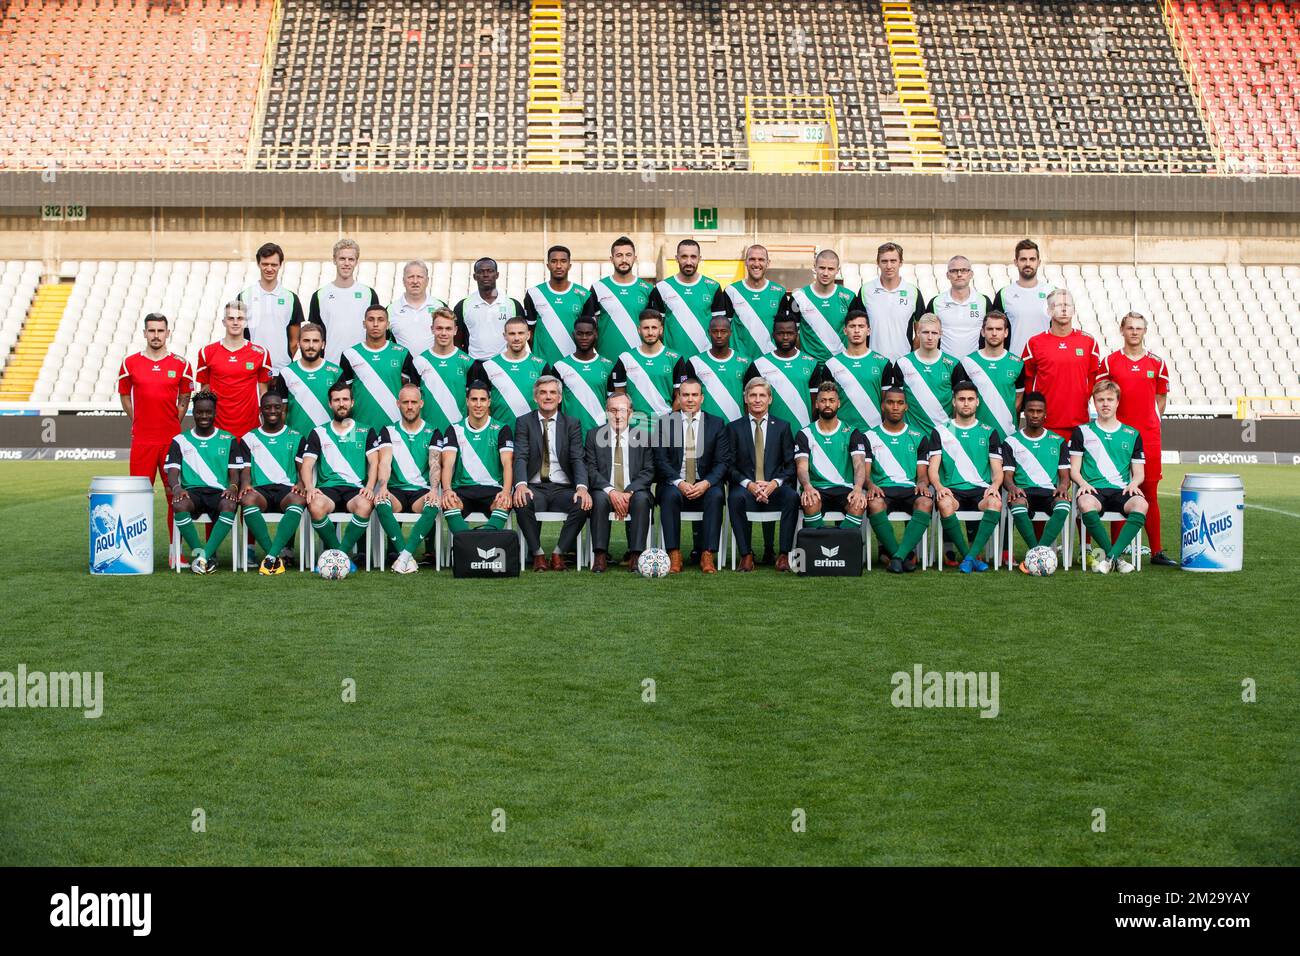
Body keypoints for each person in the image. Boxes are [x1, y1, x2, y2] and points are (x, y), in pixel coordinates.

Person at [1099, 312, 1175, 566]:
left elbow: (1160, 399)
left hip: (1149, 437)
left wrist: (1148, 421)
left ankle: (1156, 551)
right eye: (1130, 327)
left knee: (1149, 492)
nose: (1134, 332)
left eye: (1139, 328)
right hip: (1118, 438)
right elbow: (1102, 395)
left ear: (1145, 331)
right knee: (1120, 491)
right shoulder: (1110, 362)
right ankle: (1117, 551)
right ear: (1121, 330)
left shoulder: (1157, 363)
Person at [117, 312, 194, 561]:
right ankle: (137, 552)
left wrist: (174, 421)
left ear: (168, 333)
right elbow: (125, 395)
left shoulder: (181, 364)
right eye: (151, 331)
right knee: (138, 498)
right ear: (144, 333)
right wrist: (137, 419)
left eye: (160, 331)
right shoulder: (130, 363)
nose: (156, 335)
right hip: (142, 440)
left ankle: (176, 552)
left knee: (176, 495)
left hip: (171, 441)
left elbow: (184, 398)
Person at [298, 380, 386, 567]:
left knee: (365, 504)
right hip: (327, 489)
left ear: (352, 402)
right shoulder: (319, 432)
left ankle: (338, 555)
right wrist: (310, 487)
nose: (341, 404)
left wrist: (370, 487)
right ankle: (342, 555)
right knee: (315, 505)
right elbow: (307, 465)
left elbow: (375, 462)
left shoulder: (365, 430)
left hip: (355, 489)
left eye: (345, 399)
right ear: (330, 404)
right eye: (336, 400)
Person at [512, 375, 592, 571]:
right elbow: (520, 456)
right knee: (522, 500)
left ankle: (558, 553)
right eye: (543, 393)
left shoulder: (572, 423)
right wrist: (521, 484)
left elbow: (577, 458)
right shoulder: (523, 422)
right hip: (535, 487)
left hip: (563, 488)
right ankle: (537, 554)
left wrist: (582, 488)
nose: (548, 397)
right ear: (536, 397)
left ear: (559, 398)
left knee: (583, 503)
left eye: (552, 392)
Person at [653, 377, 732, 574]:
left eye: (694, 395)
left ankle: (707, 554)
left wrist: (706, 483)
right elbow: (660, 461)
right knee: (669, 496)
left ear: (702, 398)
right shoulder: (664, 423)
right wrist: (679, 482)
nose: (690, 399)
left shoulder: (716, 424)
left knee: (715, 495)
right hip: (675, 484)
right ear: (678, 398)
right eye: (685, 395)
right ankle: (674, 554)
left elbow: (722, 462)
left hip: (704, 483)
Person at [164, 390, 246, 575]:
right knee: (179, 503)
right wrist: (177, 488)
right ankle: (202, 554)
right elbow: (172, 471)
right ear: (194, 412)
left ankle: (203, 557)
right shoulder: (180, 440)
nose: (204, 416)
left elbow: (235, 473)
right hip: (192, 493)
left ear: (215, 412)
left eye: (208, 412)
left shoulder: (229, 439)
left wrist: (233, 487)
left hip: (218, 493)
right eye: (200, 412)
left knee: (230, 503)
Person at [1071, 379, 1148, 574]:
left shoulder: (1132, 434)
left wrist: (1134, 483)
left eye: (1110, 399)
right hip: (1094, 489)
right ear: (1093, 403)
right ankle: (1118, 558)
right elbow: (1074, 470)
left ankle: (1111, 557)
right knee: (1085, 503)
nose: (1105, 404)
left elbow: (1139, 473)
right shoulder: (1082, 431)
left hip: (1121, 490)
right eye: (1100, 399)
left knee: (1142, 504)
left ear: (1117, 402)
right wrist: (1082, 483)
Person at [927, 382, 1004, 573]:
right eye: (961, 399)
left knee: (995, 503)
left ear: (977, 402)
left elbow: (997, 470)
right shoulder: (941, 431)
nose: (966, 403)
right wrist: (938, 486)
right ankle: (970, 557)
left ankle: (969, 558)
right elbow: (933, 468)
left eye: (970, 399)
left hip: (981, 490)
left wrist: (995, 485)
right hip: (953, 491)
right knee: (944, 504)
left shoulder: (989, 432)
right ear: (954, 402)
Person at [727, 377, 799, 572]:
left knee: (792, 497)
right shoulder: (734, 428)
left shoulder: (783, 427)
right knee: (734, 498)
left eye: (762, 395)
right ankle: (746, 555)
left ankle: (783, 555)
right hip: (746, 489)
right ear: (746, 399)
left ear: (770, 399)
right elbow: (730, 466)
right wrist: (749, 485)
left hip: (774, 489)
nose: (757, 400)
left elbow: (790, 465)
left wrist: (773, 484)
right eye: (753, 395)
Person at [863, 386, 935, 574]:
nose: (895, 407)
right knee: (875, 504)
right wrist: (870, 485)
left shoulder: (918, 436)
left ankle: (896, 557)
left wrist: (921, 482)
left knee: (926, 502)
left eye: (900, 403)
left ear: (906, 407)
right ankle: (902, 556)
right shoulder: (869, 436)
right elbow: (866, 474)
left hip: (909, 489)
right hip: (883, 489)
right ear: (882, 406)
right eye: (891, 402)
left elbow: (922, 474)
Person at [373, 384, 442, 574]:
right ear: (398, 404)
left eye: (413, 402)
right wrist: (383, 486)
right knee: (381, 501)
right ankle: (408, 556)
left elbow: (435, 465)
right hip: (395, 489)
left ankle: (402, 556)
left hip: (421, 491)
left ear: (421, 404)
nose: (409, 406)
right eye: (405, 402)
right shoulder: (388, 431)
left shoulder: (433, 431)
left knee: (433, 504)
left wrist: (434, 490)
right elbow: (385, 462)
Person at [1002, 390, 1072, 569]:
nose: (1034, 415)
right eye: (1031, 411)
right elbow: (1007, 477)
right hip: (1024, 492)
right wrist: (1012, 487)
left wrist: (1063, 487)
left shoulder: (1058, 441)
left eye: (1039, 411)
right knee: (1016, 503)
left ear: (1045, 413)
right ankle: (1038, 552)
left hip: (1049, 492)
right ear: (1024, 412)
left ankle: (1036, 553)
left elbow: (1065, 476)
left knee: (1064, 503)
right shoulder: (1011, 441)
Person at [585, 393, 655, 573]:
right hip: (605, 490)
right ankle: (600, 555)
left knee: (641, 500)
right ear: (607, 412)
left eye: (622, 410)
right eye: (613, 410)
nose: (617, 415)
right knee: (598, 499)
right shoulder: (594, 436)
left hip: (634, 490)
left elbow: (649, 470)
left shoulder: (644, 437)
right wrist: (612, 492)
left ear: (630, 413)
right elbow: (591, 470)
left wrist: (629, 491)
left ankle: (635, 555)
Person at [239, 392, 307, 575]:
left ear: (283, 409)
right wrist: (245, 484)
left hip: (286, 490)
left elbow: (302, 469)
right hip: (260, 491)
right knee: (247, 499)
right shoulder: (248, 438)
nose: (272, 411)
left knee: (299, 500)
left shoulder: (296, 437)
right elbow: (245, 470)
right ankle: (274, 556)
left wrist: (301, 482)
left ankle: (270, 557)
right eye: (268, 407)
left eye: (277, 407)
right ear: (261, 410)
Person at [1021, 289, 1101, 440]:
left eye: (1068, 305)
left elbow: (1094, 380)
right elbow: (1028, 381)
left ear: (1074, 309)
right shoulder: (1034, 343)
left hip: (1079, 423)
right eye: (1058, 305)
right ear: (1049, 310)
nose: (1064, 309)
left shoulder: (1089, 342)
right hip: (1045, 424)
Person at [439, 382, 514, 536]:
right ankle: (471, 544)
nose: (478, 404)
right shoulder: (454, 429)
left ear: (489, 402)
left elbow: (507, 463)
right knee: (449, 501)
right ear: (467, 401)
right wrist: (447, 490)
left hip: (492, 489)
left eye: (482, 400)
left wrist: (506, 491)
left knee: (503, 501)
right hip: (462, 489)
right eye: (474, 399)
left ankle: (476, 542)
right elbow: (447, 464)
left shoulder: (502, 429)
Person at [195, 300, 272, 438]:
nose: (235, 323)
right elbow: (204, 392)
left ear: (246, 322)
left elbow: (263, 393)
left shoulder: (261, 353)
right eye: (231, 318)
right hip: (217, 428)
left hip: (250, 428)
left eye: (240, 318)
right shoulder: (207, 352)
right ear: (224, 322)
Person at [336, 304, 419, 432]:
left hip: (395, 428)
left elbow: (411, 393)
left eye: (380, 320)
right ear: (364, 324)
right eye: (371, 320)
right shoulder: (350, 355)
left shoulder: (402, 354)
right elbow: (344, 398)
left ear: (387, 324)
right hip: (360, 428)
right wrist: (348, 431)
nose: (375, 324)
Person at [822, 310, 899, 433]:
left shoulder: (883, 363)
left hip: (874, 432)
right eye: (852, 326)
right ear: (845, 330)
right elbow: (827, 402)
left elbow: (886, 403)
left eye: (861, 326)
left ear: (868, 331)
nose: (857, 330)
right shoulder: (831, 365)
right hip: (843, 432)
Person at [953, 310, 1024, 440]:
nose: (994, 333)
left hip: (1007, 435)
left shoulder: (1017, 363)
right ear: (983, 332)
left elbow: (1018, 400)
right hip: (975, 435)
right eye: (990, 329)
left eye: (999, 329)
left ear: (1006, 332)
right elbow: (960, 400)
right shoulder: (968, 362)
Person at [468, 316, 554, 425]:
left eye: (521, 333)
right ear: (505, 336)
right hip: (501, 434)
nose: (516, 338)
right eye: (512, 334)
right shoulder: (489, 366)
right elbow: (482, 404)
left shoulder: (541, 365)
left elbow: (550, 403)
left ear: (528, 335)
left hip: (532, 433)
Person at [308, 238, 380, 364]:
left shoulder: (368, 294)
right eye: (342, 258)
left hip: (363, 364)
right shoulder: (320, 296)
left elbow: (377, 332)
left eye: (351, 259)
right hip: (331, 364)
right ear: (334, 260)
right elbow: (314, 336)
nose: (346, 263)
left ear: (356, 262)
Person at [647, 239, 723, 358]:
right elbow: (656, 329)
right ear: (676, 258)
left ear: (699, 258)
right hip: (673, 359)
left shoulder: (713, 287)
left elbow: (720, 328)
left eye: (693, 257)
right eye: (684, 257)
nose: (689, 261)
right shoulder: (662, 288)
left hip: (705, 359)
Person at [743, 315, 821, 431]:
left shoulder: (811, 363)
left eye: (790, 333)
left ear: (797, 334)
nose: (785, 337)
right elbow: (748, 402)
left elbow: (816, 402)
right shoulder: (759, 365)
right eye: (780, 333)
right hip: (770, 433)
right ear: (773, 335)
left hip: (803, 431)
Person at [582, 236, 654, 361]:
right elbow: (590, 328)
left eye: (628, 255)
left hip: (640, 360)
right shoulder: (598, 288)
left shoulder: (648, 289)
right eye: (619, 255)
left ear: (635, 258)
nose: (624, 259)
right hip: (607, 359)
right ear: (612, 259)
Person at [611, 308, 687, 426]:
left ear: (661, 330)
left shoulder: (675, 358)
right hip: (635, 424)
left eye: (654, 328)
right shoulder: (625, 359)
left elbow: (680, 397)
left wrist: (668, 421)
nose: (650, 332)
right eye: (646, 328)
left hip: (665, 424)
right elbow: (620, 398)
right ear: (639, 330)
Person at [854, 241, 927, 361]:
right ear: (877, 263)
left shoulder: (913, 292)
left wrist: (910, 358)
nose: (889, 266)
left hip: (903, 363)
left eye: (893, 261)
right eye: (884, 261)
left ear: (901, 263)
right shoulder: (866, 290)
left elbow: (920, 332)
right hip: (872, 362)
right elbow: (857, 328)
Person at [786, 248, 859, 365]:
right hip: (809, 365)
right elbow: (793, 334)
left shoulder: (849, 297)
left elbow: (856, 333)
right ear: (814, 267)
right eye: (821, 268)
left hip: (841, 364)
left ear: (837, 270)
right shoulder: (799, 297)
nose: (825, 273)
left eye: (830, 269)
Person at [269, 322, 342, 439]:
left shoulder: (336, 373)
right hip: (297, 440)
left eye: (316, 341)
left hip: (329, 440)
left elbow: (344, 411)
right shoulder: (287, 373)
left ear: (323, 344)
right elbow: (282, 411)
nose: (311, 345)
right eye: (306, 341)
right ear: (298, 344)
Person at [239, 241, 304, 372]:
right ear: (258, 264)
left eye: (274, 264)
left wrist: (282, 363)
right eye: (265, 264)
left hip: (282, 370)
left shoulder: (291, 298)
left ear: (280, 265)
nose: (269, 268)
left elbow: (294, 340)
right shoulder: (245, 296)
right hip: (253, 370)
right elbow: (239, 337)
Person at [717, 243, 787, 362]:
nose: (756, 264)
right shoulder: (731, 291)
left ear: (768, 263)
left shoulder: (779, 292)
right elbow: (723, 331)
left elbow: (784, 332)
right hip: (739, 360)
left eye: (761, 260)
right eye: (752, 259)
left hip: (770, 360)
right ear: (745, 262)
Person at [411, 307, 474, 437]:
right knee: (433, 458)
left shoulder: (468, 363)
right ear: (432, 329)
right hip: (429, 435)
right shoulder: (419, 362)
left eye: (448, 328)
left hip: (459, 434)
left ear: (455, 330)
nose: (443, 333)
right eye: (439, 328)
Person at [524, 244, 589, 367]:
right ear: (548, 265)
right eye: (554, 261)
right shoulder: (534, 294)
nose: (558, 266)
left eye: (563, 261)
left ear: (569, 265)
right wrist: (541, 355)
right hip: (544, 365)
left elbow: (588, 333)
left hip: (574, 365)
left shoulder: (584, 295)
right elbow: (530, 334)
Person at [895, 313, 959, 435]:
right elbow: (896, 403)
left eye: (934, 333)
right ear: (918, 333)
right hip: (913, 436)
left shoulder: (953, 364)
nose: (930, 337)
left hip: (945, 434)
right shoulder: (903, 363)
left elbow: (958, 405)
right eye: (925, 332)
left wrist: (952, 434)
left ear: (940, 334)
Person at [552, 315, 615, 435]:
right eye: (580, 333)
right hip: (570, 433)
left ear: (595, 334)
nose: (584, 337)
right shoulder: (560, 367)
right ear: (573, 334)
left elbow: (612, 403)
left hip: (601, 432)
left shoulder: (608, 366)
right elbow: (555, 405)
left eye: (588, 333)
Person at [454, 257, 525, 361]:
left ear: (497, 275)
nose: (485, 275)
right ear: (474, 276)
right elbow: (457, 341)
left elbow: (522, 338)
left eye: (490, 271)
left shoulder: (513, 305)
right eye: (481, 272)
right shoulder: (463, 305)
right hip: (475, 364)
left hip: (505, 364)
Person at [993, 239, 1055, 357]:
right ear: (1016, 262)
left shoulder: (1052, 292)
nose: (1028, 263)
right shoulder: (1004, 294)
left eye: (1032, 259)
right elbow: (994, 331)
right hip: (1014, 363)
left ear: (1039, 262)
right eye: (1023, 259)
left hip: (1045, 362)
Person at [927, 255, 992, 359]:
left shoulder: (984, 301)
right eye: (954, 271)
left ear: (971, 274)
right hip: (945, 366)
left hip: (976, 366)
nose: (959, 274)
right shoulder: (936, 302)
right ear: (947, 275)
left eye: (964, 270)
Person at [688, 315, 748, 423]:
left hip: (737, 425)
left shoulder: (745, 362)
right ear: (709, 332)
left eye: (723, 331)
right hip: (705, 426)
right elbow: (688, 400)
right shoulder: (695, 362)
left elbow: (750, 400)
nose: (719, 335)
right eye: (715, 331)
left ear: (730, 332)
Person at [388, 260, 446, 356]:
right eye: (410, 277)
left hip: (433, 368)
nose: (415, 281)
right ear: (403, 280)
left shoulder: (440, 307)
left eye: (419, 277)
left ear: (427, 280)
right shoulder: (391, 309)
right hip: (401, 369)